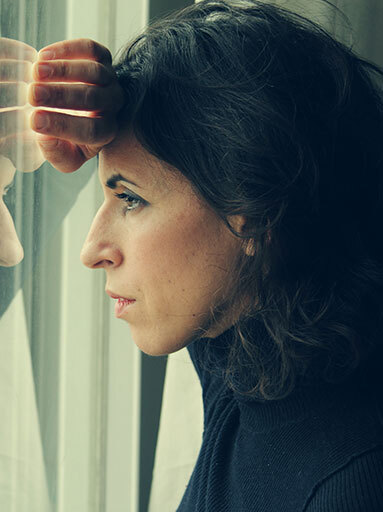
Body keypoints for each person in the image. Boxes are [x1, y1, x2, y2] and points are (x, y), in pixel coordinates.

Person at [28, 0, 383, 510]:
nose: (92, 251)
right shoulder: (251, 360)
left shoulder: (350, 483)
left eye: (130, 198)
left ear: (255, 213)